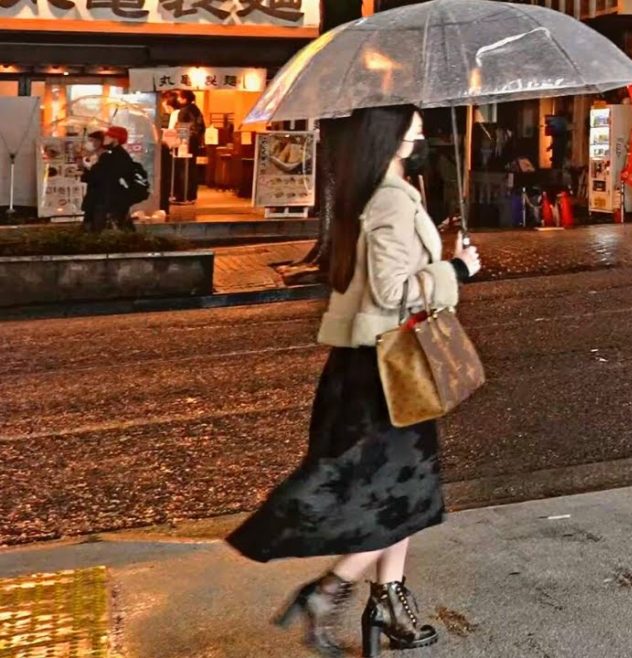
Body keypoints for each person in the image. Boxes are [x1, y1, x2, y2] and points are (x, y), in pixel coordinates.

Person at [226, 105, 481, 658]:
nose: (419, 130)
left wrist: (436, 248)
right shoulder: (388, 197)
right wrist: (455, 271)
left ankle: (389, 602)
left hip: (369, 366)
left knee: (401, 494)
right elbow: (392, 291)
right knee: (405, 496)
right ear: (384, 133)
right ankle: (328, 590)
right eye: (410, 122)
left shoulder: (374, 191)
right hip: (385, 372)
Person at [80, 130, 107, 232]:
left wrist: (86, 169)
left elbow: (97, 176)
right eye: (90, 140)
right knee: (90, 219)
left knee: (96, 222)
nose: (92, 143)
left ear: (100, 141)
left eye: (93, 140)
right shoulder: (93, 155)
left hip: (100, 194)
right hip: (93, 193)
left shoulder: (105, 156)